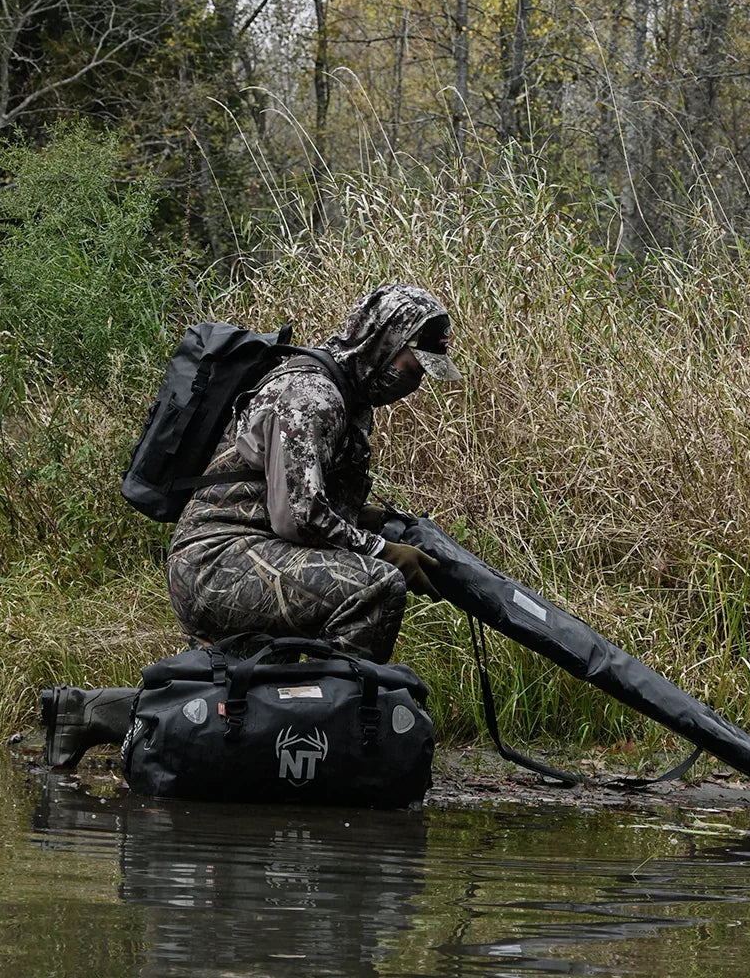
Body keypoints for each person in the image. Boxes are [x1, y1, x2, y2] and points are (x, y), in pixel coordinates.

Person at [41, 283, 460, 769]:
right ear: (386, 343)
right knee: (376, 586)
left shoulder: (344, 394)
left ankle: (82, 712)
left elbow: (288, 494)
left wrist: (377, 526)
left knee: (244, 691)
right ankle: (343, 748)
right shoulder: (313, 395)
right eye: (415, 366)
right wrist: (386, 553)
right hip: (220, 561)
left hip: (246, 557)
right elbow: (297, 515)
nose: (418, 382)